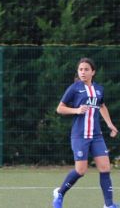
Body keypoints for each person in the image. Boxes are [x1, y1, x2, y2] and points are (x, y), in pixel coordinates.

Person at [52, 58, 119, 208]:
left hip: (96, 136)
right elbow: (60, 108)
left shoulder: (99, 89)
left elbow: (102, 106)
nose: (83, 72)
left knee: (105, 168)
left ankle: (108, 205)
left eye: (86, 69)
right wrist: (76, 110)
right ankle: (60, 193)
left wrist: (110, 124)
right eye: (80, 69)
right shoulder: (74, 88)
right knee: (81, 170)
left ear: (93, 72)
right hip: (80, 135)